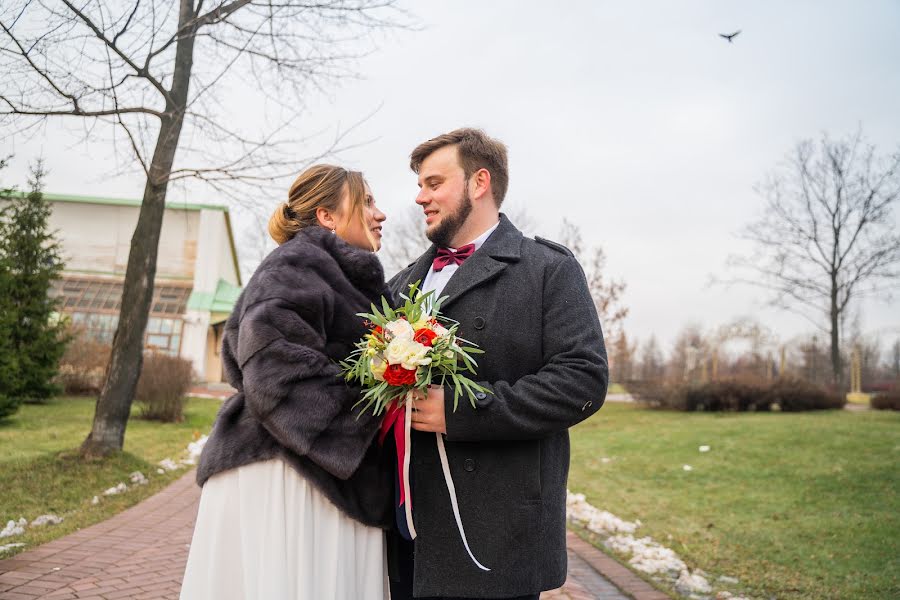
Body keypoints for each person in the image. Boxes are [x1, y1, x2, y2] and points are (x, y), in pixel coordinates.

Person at [386, 128, 609, 600]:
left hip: (496, 534)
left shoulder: (547, 268)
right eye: (420, 185)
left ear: (478, 182)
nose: (419, 197)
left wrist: (463, 411)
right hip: (406, 531)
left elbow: (582, 380)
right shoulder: (402, 283)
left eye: (433, 183)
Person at [180, 164, 393, 600]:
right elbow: (273, 372)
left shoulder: (336, 273)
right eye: (367, 201)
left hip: (321, 474)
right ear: (327, 216)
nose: (381, 213)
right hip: (290, 476)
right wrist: (370, 418)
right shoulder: (298, 265)